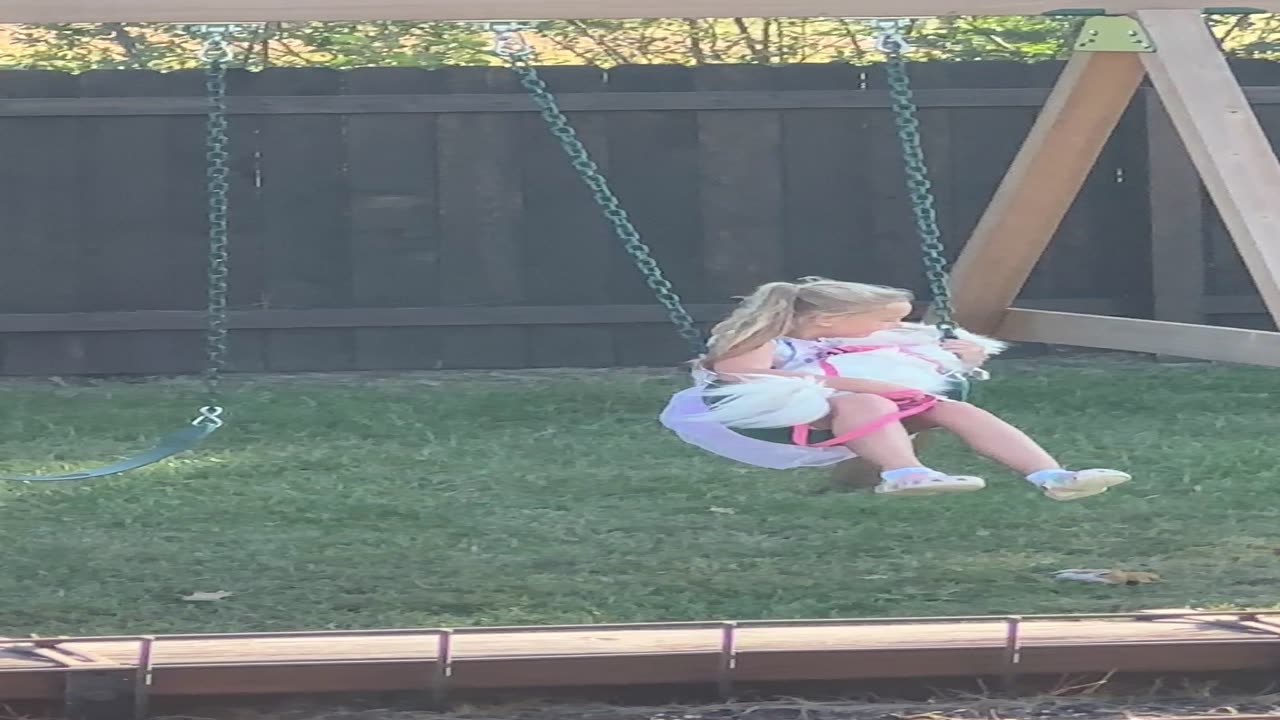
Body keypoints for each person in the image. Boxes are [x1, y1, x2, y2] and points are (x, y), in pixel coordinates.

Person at [659, 277, 1131, 500]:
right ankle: (905, 472)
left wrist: (957, 353)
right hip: (772, 418)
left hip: (862, 410)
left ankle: (1050, 477)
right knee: (863, 399)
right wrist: (854, 383)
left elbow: (917, 349)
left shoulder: (851, 339)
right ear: (826, 319)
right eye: (883, 320)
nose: (892, 328)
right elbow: (746, 380)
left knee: (953, 410)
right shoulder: (760, 340)